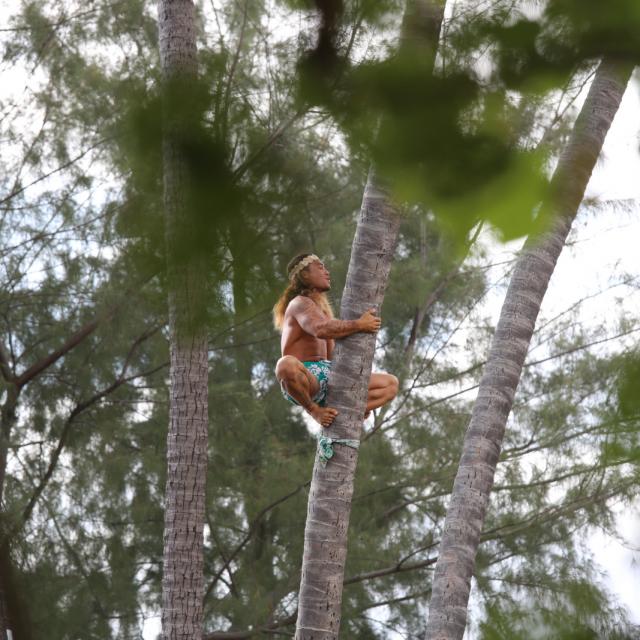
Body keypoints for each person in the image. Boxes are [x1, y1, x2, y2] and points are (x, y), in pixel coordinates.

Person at [273, 253, 399, 427]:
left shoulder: (323, 311)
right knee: (285, 365)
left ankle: (348, 411)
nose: (327, 271)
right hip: (307, 379)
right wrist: (359, 324)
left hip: (331, 377)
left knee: (390, 384)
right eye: (320, 267)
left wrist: (359, 391)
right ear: (304, 275)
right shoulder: (299, 303)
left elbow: (333, 357)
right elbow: (320, 329)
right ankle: (315, 411)